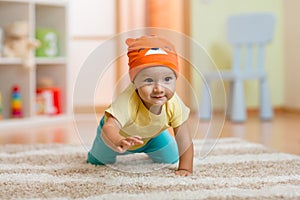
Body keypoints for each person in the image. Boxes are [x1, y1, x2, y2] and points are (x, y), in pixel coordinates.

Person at [87, 35, 194, 176]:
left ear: (175, 79)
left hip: (152, 136)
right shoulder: (127, 100)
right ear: (134, 82)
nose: (159, 89)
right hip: (116, 135)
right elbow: (110, 127)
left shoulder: (174, 104)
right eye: (149, 80)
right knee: (97, 162)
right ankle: (103, 151)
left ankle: (153, 145)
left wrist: (185, 169)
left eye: (167, 79)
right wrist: (119, 140)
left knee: (172, 158)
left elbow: (184, 138)